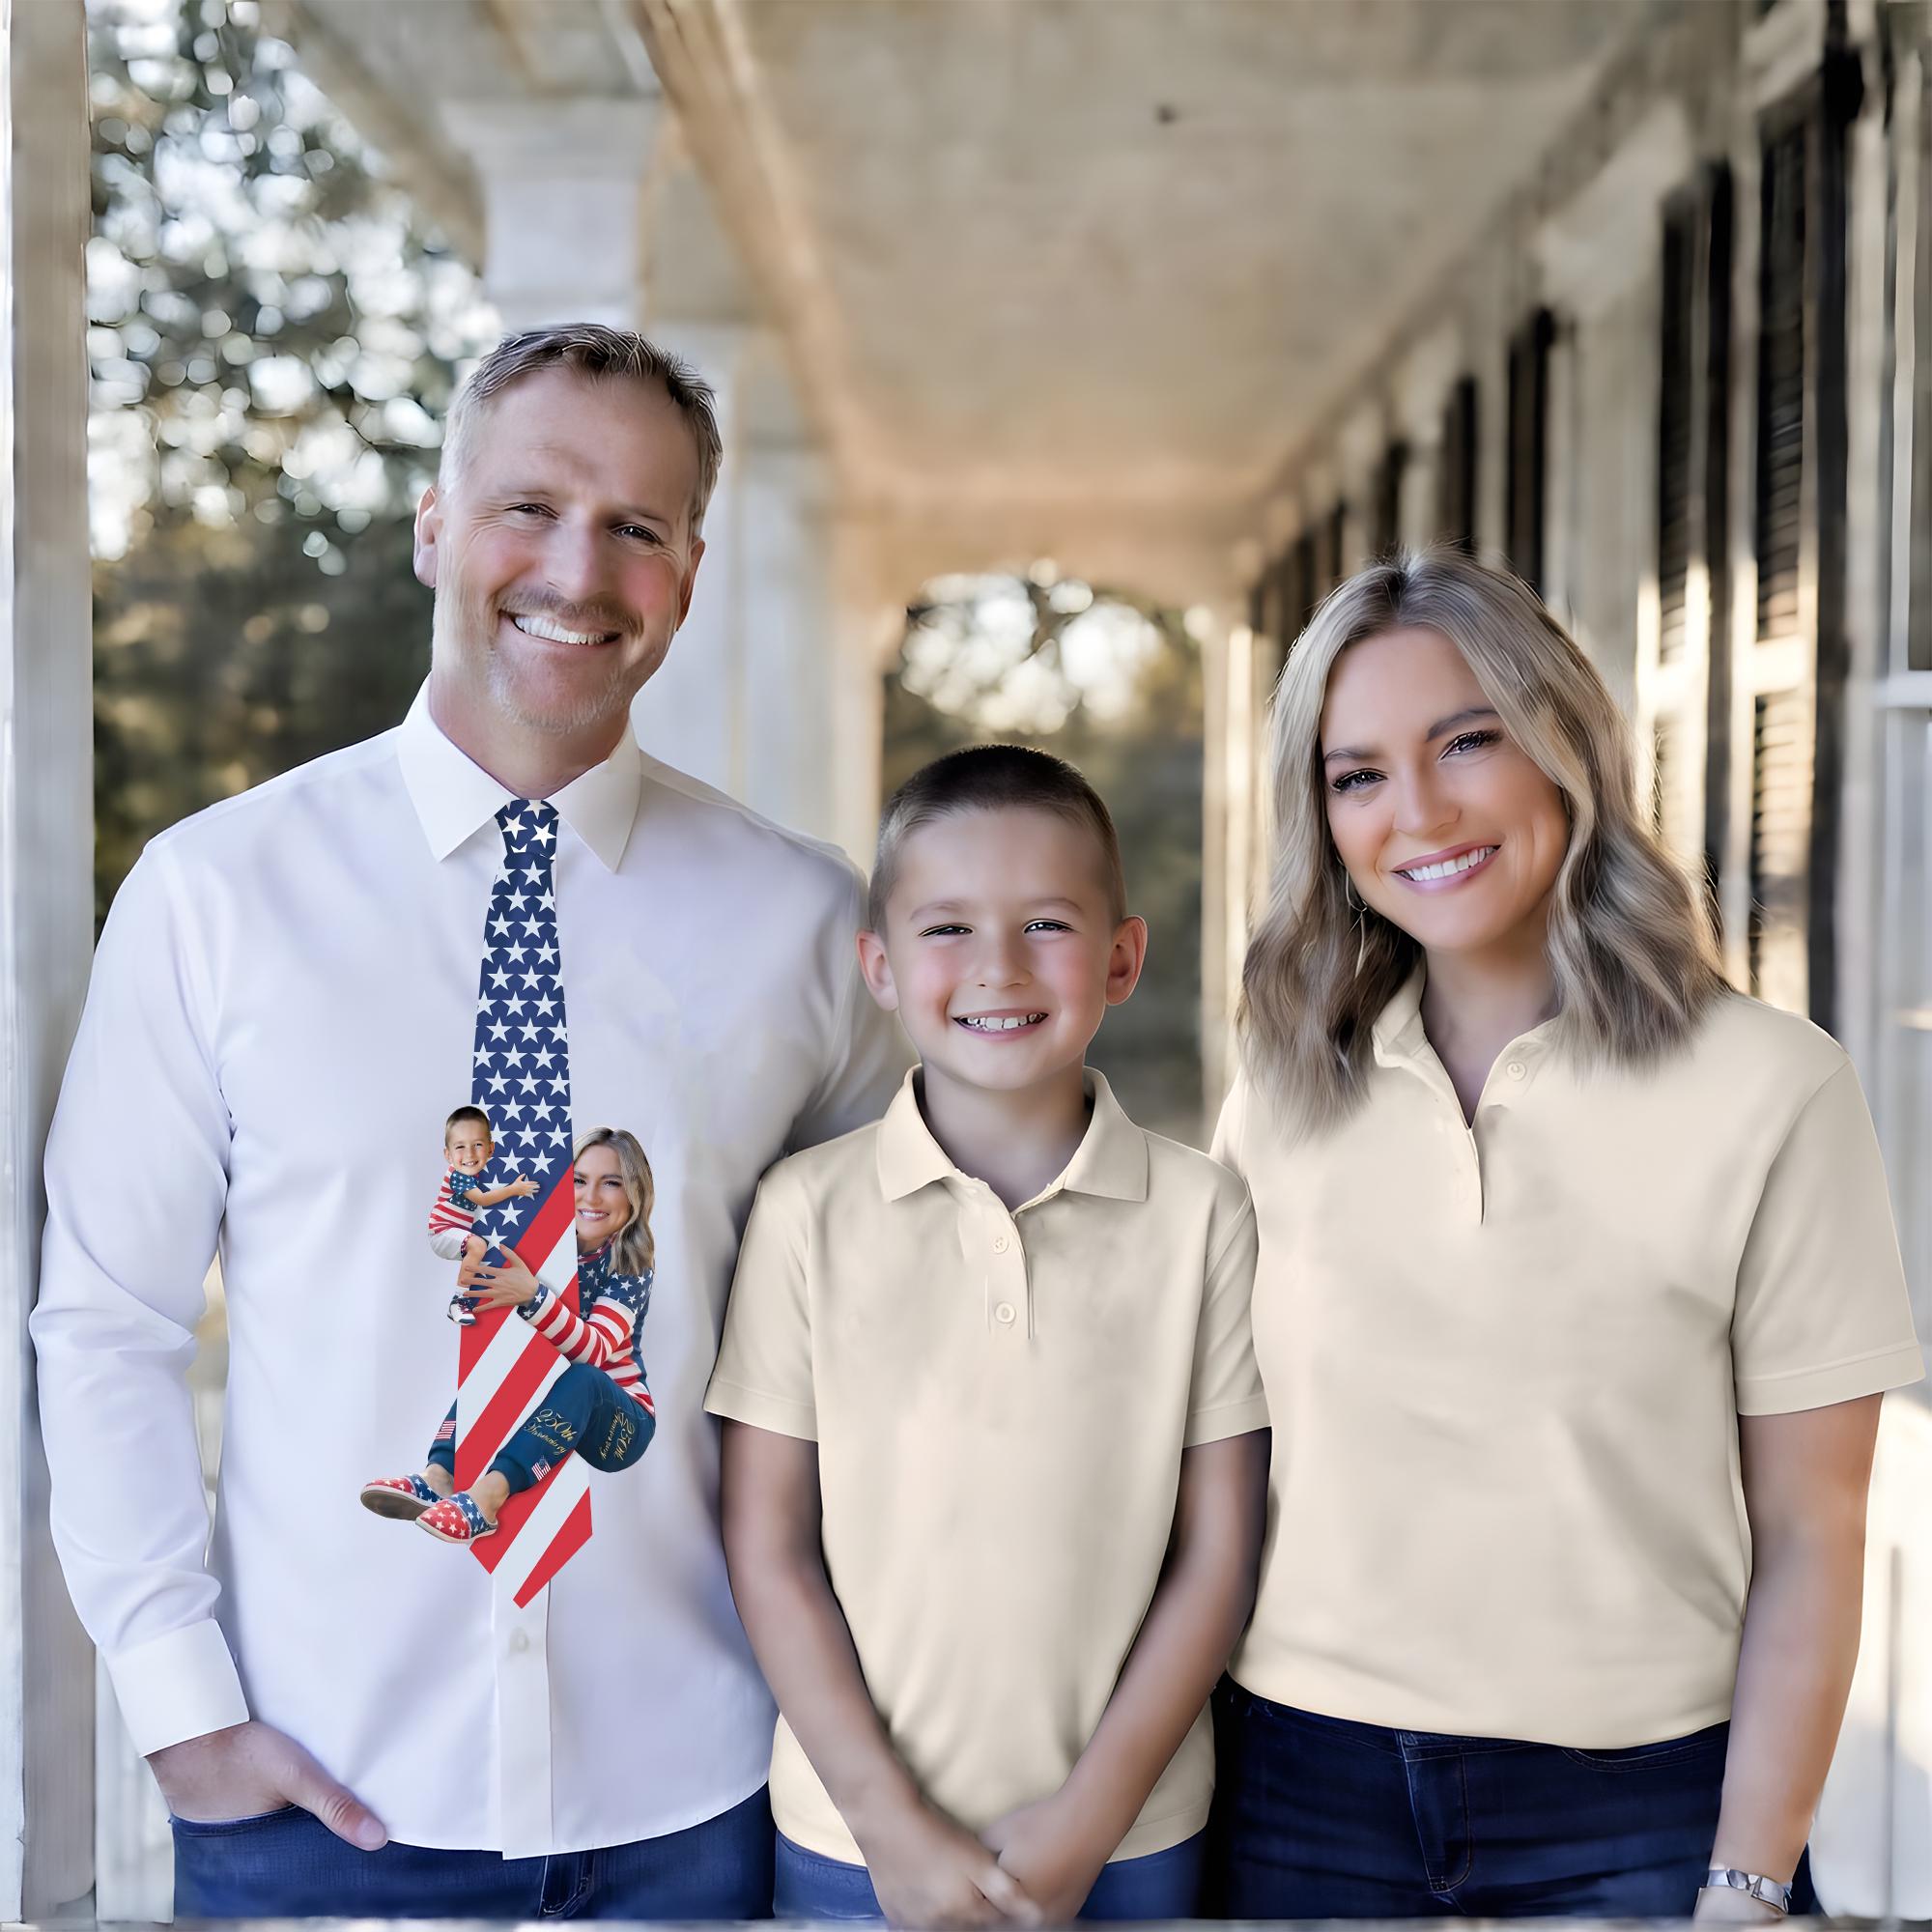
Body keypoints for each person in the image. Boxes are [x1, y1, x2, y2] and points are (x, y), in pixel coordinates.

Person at [33, 324, 906, 1918]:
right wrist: (183, 1712)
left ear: (690, 572)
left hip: (694, 1802)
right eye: (531, 507)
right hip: (316, 1803)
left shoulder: (802, 927)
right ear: (436, 525)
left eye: (638, 527)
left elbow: (877, 1337)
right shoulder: (218, 898)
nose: (580, 567)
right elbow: (108, 1321)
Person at [1208, 548, 1924, 1919]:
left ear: (1564, 747)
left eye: (1466, 741)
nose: (1417, 812)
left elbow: (1813, 1533)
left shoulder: (1772, 1090)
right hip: (1298, 1795)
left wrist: (1749, 1878)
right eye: (1357, 774)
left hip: (1641, 1812)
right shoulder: (1289, 1089)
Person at [706, 745, 1270, 1927]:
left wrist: (1086, 1823)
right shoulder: (803, 1213)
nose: (997, 967)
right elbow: (769, 1545)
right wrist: (886, 1825)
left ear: (1121, 957)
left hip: (1130, 1840)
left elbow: (1214, 1554)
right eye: (947, 928)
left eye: (1047, 924)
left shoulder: (1201, 1213)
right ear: (878, 965)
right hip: (851, 1844)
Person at [362, 1126, 660, 1537]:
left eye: (611, 1183)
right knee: (503, 1348)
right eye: (578, 1180)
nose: (590, 1197)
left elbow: (593, 1352)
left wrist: (534, 1296)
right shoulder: (549, 1248)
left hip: (620, 1421)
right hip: (558, 1399)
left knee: (586, 1379)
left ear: (635, 1194)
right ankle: (439, 1476)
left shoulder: (631, 1265)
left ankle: (488, 1499)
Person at [428, 1103, 538, 1326]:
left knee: (484, 1251)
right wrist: (514, 1189)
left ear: (490, 1149)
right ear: (448, 1155)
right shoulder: (459, 1175)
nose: (469, 1154)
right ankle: (459, 1301)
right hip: (441, 1232)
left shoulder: (477, 1173)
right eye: (460, 1147)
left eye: (477, 1145)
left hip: (455, 1232)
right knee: (477, 1245)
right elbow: (483, 1199)